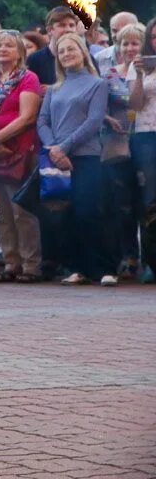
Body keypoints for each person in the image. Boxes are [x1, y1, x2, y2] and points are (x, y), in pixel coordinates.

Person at [38, 33, 112, 286]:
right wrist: (53, 149)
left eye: (72, 49)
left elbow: (93, 122)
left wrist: (64, 148)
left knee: (88, 212)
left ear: (83, 51)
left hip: (86, 156)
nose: (67, 54)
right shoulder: (54, 88)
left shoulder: (97, 84)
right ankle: (76, 267)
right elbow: (42, 121)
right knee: (64, 215)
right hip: (57, 160)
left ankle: (103, 268)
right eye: (62, 51)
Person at [0, 30, 43, 282]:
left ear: (20, 52)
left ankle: (30, 264)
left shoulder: (28, 79)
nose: (3, 49)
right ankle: (11, 261)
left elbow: (27, 117)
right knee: (1, 212)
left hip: (20, 150)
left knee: (21, 210)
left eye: (9, 45)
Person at [102, 23, 142, 279]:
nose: (130, 48)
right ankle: (128, 256)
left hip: (146, 139)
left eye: (135, 43)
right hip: (118, 145)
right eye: (125, 43)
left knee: (147, 202)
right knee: (123, 203)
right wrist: (107, 118)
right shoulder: (110, 74)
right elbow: (98, 105)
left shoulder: (150, 72)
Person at [127, 18, 156, 284]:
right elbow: (134, 105)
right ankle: (150, 262)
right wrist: (138, 74)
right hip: (146, 135)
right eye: (155, 36)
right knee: (149, 202)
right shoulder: (141, 66)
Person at [27, 6, 80, 85]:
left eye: (72, 25)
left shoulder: (84, 58)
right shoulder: (35, 60)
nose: (68, 29)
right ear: (49, 30)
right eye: (62, 25)